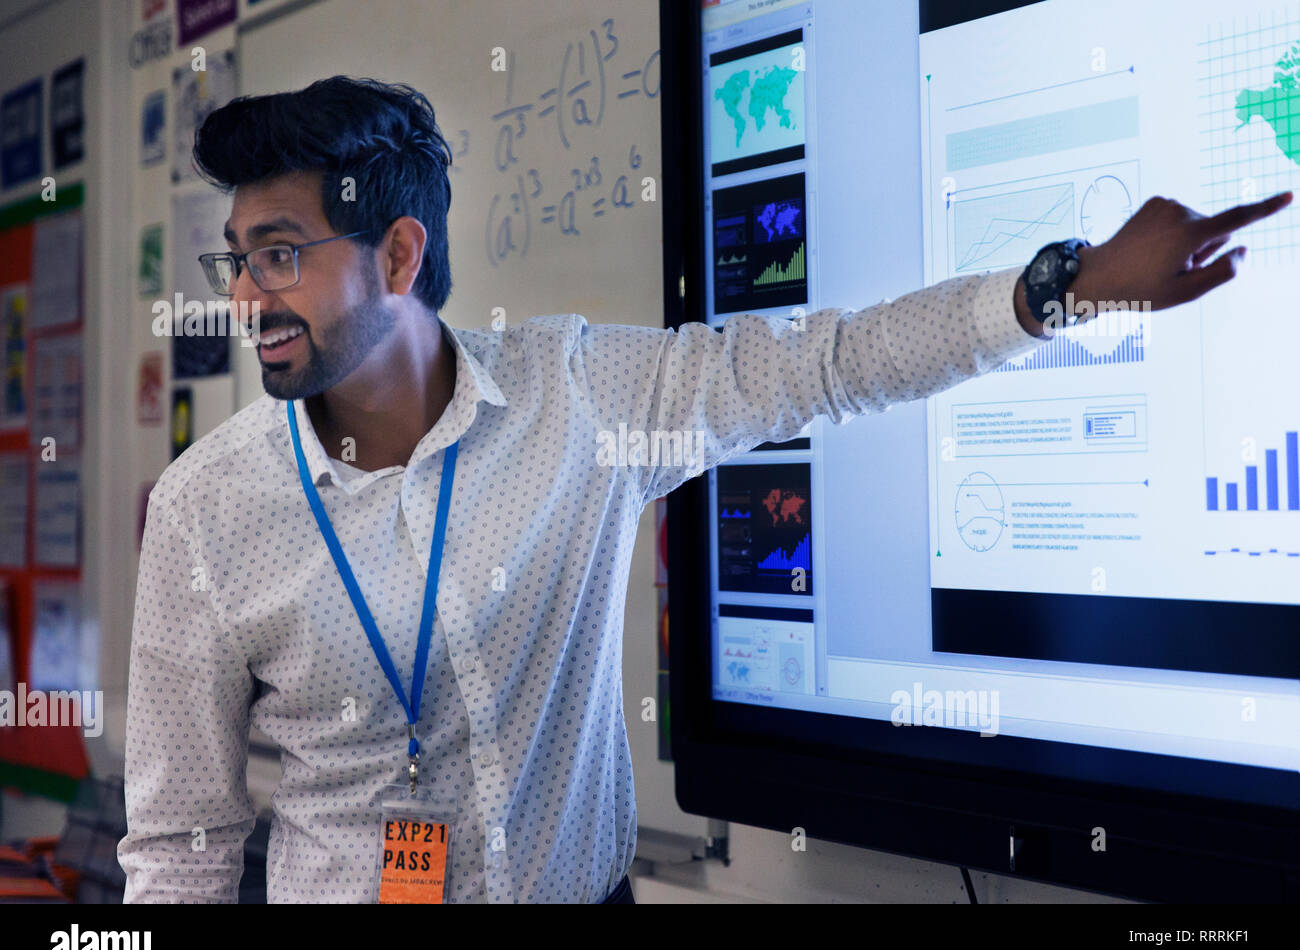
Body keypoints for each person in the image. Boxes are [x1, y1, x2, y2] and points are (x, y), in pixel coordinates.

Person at [116, 76, 1291, 904]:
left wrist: (1063, 287)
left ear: (401, 256)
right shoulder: (206, 509)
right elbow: (178, 844)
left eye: (279, 253)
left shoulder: (581, 399)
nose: (246, 294)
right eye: (237, 258)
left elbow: (823, 363)